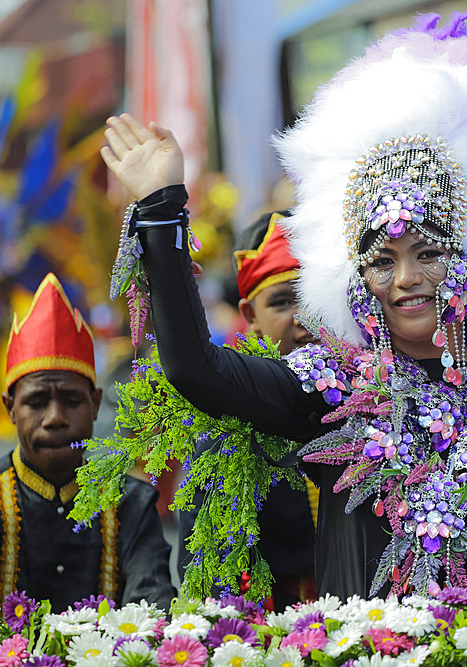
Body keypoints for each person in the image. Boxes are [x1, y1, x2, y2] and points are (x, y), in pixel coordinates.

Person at [100, 12, 467, 599]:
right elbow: (195, 368)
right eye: (382, 261)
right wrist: (163, 206)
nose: (406, 279)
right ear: (358, 282)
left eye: (428, 253)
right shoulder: (332, 393)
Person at [0, 274, 175, 611]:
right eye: (37, 401)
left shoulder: (133, 504)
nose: (55, 417)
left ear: (94, 404)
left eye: (72, 400)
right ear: (10, 408)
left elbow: (153, 615)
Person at [176, 211, 319, 609]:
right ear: (251, 315)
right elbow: (204, 582)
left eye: (314, 297)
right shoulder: (227, 429)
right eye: (283, 301)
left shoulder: (379, 400)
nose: (304, 317)